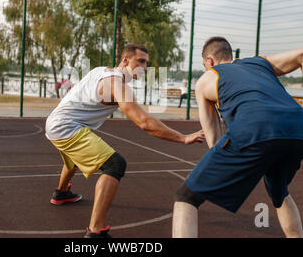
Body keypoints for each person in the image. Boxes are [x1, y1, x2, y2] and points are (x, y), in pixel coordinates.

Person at [172, 36, 303, 238]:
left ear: (209, 61)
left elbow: (214, 141)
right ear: (230, 55)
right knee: (279, 192)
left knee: (186, 197)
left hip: (255, 126)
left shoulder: (206, 80)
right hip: (302, 128)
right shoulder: (259, 62)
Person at [45, 43, 205, 238]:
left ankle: (61, 193)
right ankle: (95, 232)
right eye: (140, 61)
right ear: (125, 60)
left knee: (75, 157)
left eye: (146, 63)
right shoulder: (117, 85)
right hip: (65, 126)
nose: (144, 68)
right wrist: (183, 137)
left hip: (58, 122)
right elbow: (145, 122)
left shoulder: (101, 71)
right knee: (115, 164)